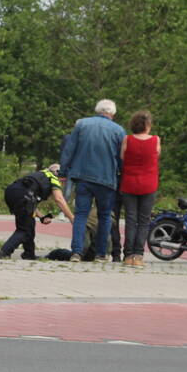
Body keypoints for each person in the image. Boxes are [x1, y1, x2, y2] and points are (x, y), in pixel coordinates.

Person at [59, 99, 126, 263]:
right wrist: (122, 175)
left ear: (97, 110)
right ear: (113, 113)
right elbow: (122, 157)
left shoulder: (81, 124)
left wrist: (63, 171)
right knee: (104, 216)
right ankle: (101, 254)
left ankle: (76, 252)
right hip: (107, 179)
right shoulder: (119, 131)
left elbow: (69, 149)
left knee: (81, 215)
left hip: (83, 177)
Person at [0, 164, 74, 260]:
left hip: (12, 192)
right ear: (59, 174)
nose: (63, 182)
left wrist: (41, 217)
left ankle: (29, 255)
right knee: (24, 229)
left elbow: (30, 202)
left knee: (29, 224)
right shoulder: (53, 177)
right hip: (24, 196)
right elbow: (59, 199)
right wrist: (71, 218)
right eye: (64, 179)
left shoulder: (40, 174)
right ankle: (4, 253)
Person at [120, 111, 160, 268]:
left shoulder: (127, 140)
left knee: (131, 220)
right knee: (144, 221)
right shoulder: (156, 140)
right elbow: (157, 156)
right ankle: (138, 255)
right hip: (149, 184)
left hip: (129, 183)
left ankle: (128, 255)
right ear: (148, 125)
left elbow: (122, 157)